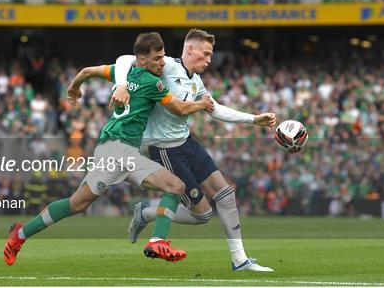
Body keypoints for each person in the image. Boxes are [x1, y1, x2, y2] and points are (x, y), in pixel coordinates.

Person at [3, 32, 214, 265]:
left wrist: (74, 88)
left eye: (163, 57)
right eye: (157, 58)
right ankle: (157, 241)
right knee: (175, 186)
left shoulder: (119, 72)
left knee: (77, 203)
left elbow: (85, 72)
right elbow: (180, 109)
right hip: (118, 150)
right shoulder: (153, 83)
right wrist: (202, 104)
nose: (162, 63)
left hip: (116, 149)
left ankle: (19, 235)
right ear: (142, 60)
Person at [111, 28, 276, 272]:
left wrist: (254, 119)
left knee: (226, 194)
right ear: (190, 49)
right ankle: (145, 214)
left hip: (188, 144)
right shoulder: (166, 65)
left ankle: (240, 260)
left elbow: (215, 108)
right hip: (166, 151)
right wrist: (122, 85)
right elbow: (125, 59)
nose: (209, 60)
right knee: (202, 215)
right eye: (206, 54)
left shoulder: (195, 80)